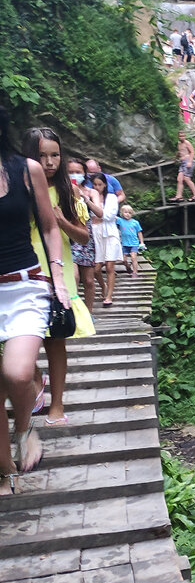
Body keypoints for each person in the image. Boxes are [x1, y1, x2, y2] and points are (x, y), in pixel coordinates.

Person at [0, 99, 70, 487]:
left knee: (17, 371)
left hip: (25, 283)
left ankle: (25, 428)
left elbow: (48, 226)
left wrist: (57, 276)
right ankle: (5, 470)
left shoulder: (25, 170)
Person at [23, 129, 95, 429]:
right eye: (42, 155)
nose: (50, 162)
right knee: (24, 337)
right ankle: (35, 382)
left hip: (59, 269)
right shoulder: (17, 188)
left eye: (55, 154)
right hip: (23, 267)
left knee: (55, 340)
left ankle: (57, 403)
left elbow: (83, 235)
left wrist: (62, 221)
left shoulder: (69, 192)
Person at [66, 157, 102, 314]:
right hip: (67, 234)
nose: (74, 175)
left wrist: (85, 199)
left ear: (85, 173)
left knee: (88, 279)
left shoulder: (91, 191)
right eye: (70, 172)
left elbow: (100, 213)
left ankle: (89, 312)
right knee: (73, 276)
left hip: (85, 235)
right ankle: (72, 311)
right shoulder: (62, 189)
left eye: (77, 172)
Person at [90, 174, 123, 307]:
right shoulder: (91, 198)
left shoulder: (112, 197)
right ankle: (103, 287)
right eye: (95, 185)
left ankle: (109, 296)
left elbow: (110, 215)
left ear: (104, 185)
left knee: (110, 266)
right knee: (96, 269)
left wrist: (99, 216)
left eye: (100, 184)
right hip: (96, 234)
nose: (97, 187)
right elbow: (89, 217)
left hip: (110, 234)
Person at [116, 205, 145, 278]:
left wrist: (141, 242)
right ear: (122, 213)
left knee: (133, 257)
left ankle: (135, 272)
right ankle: (128, 268)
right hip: (124, 243)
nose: (127, 214)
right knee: (123, 260)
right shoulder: (120, 220)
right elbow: (112, 216)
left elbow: (139, 232)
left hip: (134, 243)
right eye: (125, 212)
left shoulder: (135, 222)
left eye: (129, 213)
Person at [173, 132, 195, 202]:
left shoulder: (187, 143)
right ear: (178, 137)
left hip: (188, 161)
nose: (182, 137)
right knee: (179, 179)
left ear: (185, 136)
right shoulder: (179, 144)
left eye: (183, 136)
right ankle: (179, 196)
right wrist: (175, 158)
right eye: (180, 136)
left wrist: (190, 162)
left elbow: (192, 152)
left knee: (187, 178)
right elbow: (180, 152)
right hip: (182, 163)